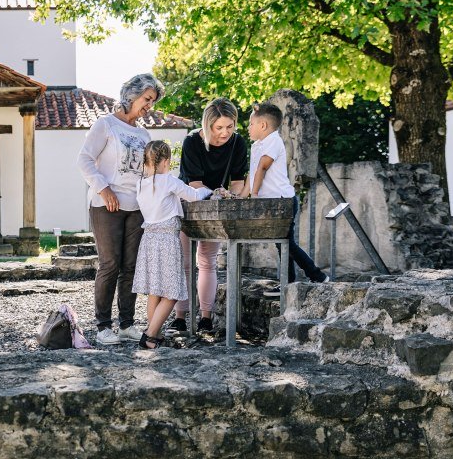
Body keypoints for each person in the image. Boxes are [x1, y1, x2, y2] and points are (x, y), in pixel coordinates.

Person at [78, 73, 165, 345]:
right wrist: (104, 189)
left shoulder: (143, 134)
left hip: (136, 207)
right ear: (131, 95)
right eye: (147, 99)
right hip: (106, 205)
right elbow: (84, 159)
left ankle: (127, 324)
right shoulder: (105, 125)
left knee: (131, 267)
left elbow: (149, 172)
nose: (149, 105)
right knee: (110, 264)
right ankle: (103, 326)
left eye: (152, 101)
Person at [168, 98, 249, 334]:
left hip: (216, 206)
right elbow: (193, 183)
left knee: (207, 261)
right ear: (207, 125)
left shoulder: (238, 143)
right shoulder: (192, 142)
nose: (225, 133)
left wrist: (229, 196)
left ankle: (206, 318)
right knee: (184, 263)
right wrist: (215, 194)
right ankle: (180, 317)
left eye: (230, 126)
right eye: (219, 128)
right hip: (188, 204)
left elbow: (237, 182)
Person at [240, 102, 329, 292]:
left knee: (286, 243)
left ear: (263, 125)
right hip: (274, 202)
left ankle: (317, 276)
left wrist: (254, 195)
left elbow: (263, 167)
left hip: (283, 201)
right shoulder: (257, 145)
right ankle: (290, 284)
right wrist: (241, 196)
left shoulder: (273, 140)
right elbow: (252, 173)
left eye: (251, 124)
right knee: (283, 243)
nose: (248, 128)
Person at [133, 141, 212, 348]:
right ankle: (149, 335)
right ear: (167, 161)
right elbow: (194, 196)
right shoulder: (168, 180)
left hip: (149, 240)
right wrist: (207, 190)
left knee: (155, 291)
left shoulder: (140, 183)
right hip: (167, 240)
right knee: (171, 292)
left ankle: (155, 335)